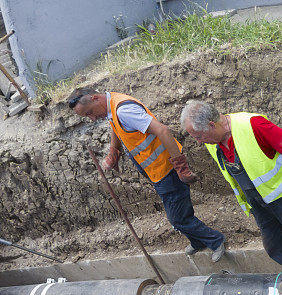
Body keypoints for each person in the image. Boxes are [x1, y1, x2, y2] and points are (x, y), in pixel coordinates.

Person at [179, 100, 282, 295]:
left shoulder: (253, 125)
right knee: (273, 244)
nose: (198, 141)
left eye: (199, 136)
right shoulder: (212, 142)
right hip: (257, 201)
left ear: (211, 125)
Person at [67, 88, 226, 262]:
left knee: (177, 218)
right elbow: (116, 128)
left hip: (167, 169)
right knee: (179, 212)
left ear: (95, 98)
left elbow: (163, 131)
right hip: (157, 171)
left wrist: (181, 167)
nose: (92, 118)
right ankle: (197, 241)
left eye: (90, 113)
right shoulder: (112, 106)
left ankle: (215, 241)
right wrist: (114, 151)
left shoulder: (124, 110)